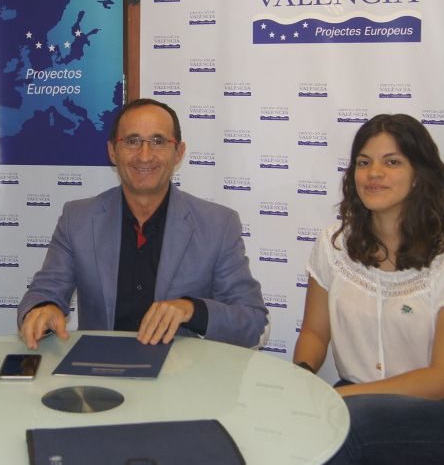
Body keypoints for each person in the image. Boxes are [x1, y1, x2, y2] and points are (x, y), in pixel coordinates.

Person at [293, 113, 444, 465]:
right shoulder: (332, 246)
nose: (374, 173)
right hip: (359, 405)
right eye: (363, 163)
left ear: (419, 174)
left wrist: (335, 396)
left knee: (340, 426)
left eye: (392, 162)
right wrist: (303, 377)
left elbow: (443, 379)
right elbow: (314, 333)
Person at [17, 98, 269, 349]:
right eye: (132, 141)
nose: (145, 156)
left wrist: (192, 310)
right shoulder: (77, 219)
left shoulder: (218, 225)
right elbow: (44, 292)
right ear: (112, 151)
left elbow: (252, 321)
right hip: (100, 368)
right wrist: (43, 309)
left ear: (178, 152)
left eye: (158, 141)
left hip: (183, 371)